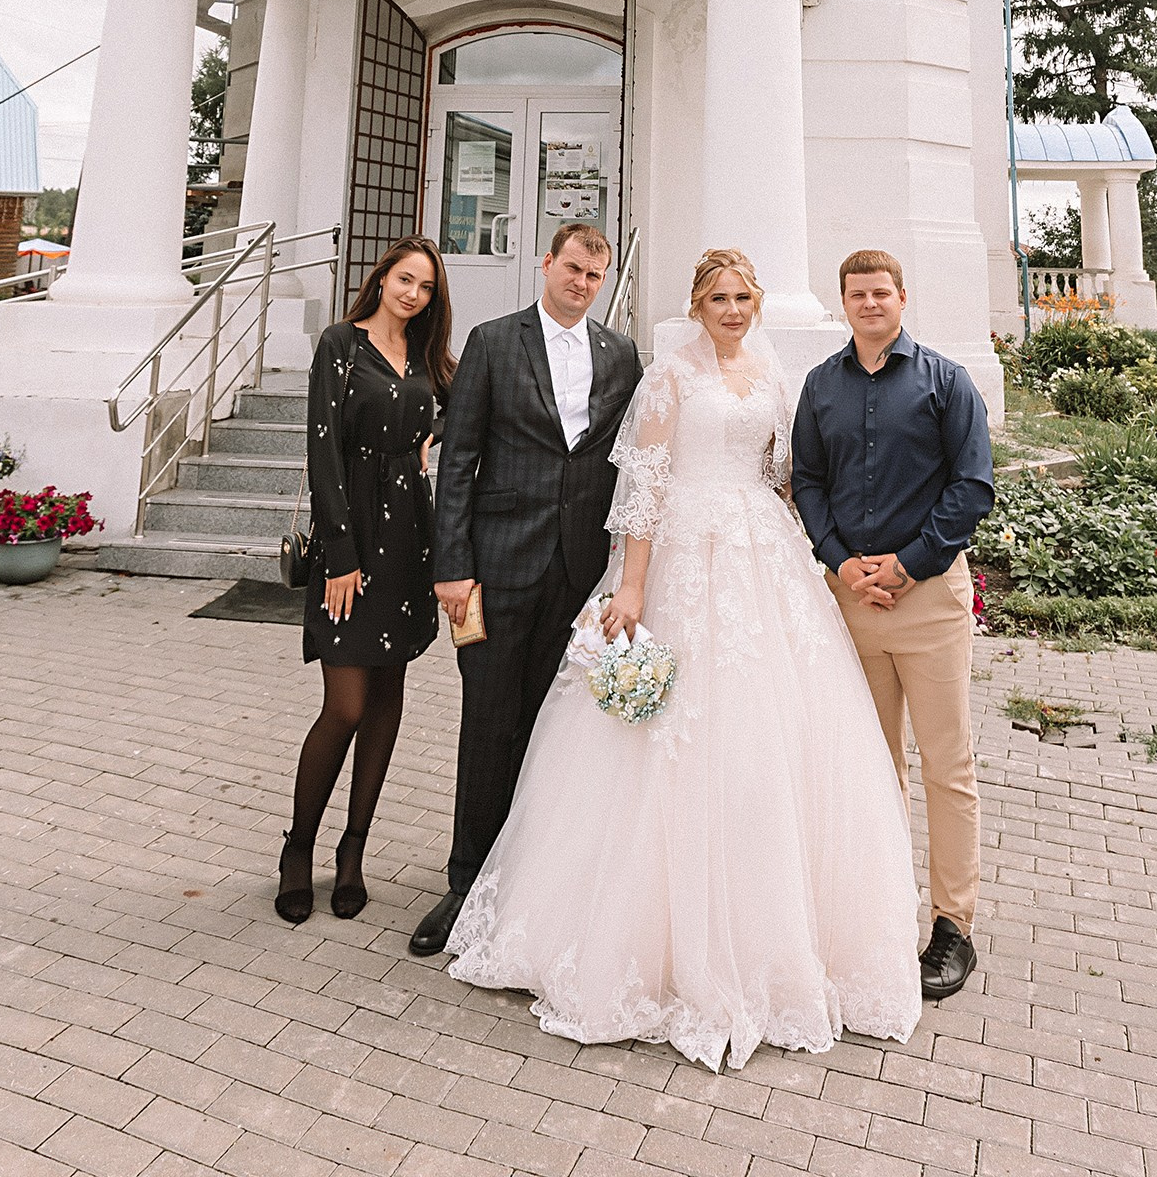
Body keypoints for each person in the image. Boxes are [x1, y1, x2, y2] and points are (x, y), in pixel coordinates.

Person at [443, 248, 923, 1070]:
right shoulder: (668, 376)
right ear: (696, 305)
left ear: (757, 303)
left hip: (761, 555)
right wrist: (632, 587)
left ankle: (784, 932)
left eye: (743, 297)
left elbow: (784, 479)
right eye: (718, 298)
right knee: (662, 735)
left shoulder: (773, 374)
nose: (732, 310)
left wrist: (821, 558)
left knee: (773, 737)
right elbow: (645, 486)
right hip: (680, 560)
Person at [408, 221, 643, 957]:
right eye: (572, 269)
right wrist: (451, 565)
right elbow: (460, 459)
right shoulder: (492, 342)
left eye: (595, 276)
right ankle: (464, 883)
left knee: (549, 730)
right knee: (489, 722)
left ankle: (526, 878)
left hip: (577, 572)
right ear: (547, 263)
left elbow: (632, 461)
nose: (582, 284)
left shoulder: (621, 354)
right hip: (496, 565)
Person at [790, 248, 995, 1004]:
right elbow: (808, 482)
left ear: (902, 298)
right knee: (871, 768)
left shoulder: (947, 381)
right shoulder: (820, 385)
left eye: (881, 292)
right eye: (857, 294)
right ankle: (877, 913)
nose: (870, 304)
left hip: (928, 598)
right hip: (851, 603)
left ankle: (952, 925)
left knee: (946, 766)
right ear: (843, 302)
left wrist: (908, 565)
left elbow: (972, 486)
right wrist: (841, 562)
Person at [275, 236, 454, 926]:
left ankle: (353, 852)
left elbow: (465, 410)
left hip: (410, 539)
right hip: (351, 541)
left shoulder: (430, 358)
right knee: (345, 706)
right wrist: (341, 555)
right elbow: (322, 451)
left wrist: (433, 436)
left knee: (386, 702)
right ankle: (299, 848)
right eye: (405, 280)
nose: (413, 294)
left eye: (426, 287)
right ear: (382, 279)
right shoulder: (340, 345)